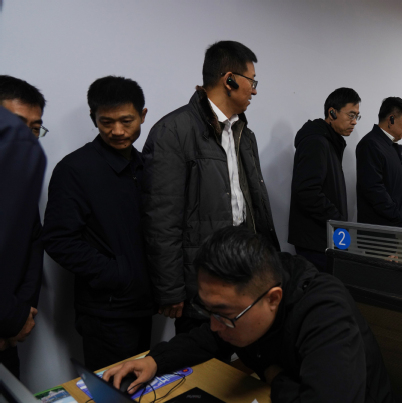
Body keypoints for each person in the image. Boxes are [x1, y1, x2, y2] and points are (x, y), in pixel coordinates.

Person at [103, 226, 395, 403]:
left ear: (273, 299)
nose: (214, 325)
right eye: (209, 310)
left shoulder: (325, 312)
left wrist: (273, 375)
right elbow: (208, 338)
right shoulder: (250, 294)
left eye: (224, 314)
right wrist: (155, 360)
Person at [141, 41, 279, 335]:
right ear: (229, 80)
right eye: (252, 81)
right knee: (202, 353)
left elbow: (254, 207)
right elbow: (162, 219)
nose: (254, 91)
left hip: (247, 272)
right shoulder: (173, 132)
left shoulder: (245, 134)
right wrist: (170, 289)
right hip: (204, 279)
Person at [42, 76, 154, 371]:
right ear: (94, 118)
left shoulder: (146, 165)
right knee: (114, 389)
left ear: (142, 115)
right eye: (106, 122)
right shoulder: (74, 169)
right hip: (106, 312)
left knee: (144, 386)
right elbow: (58, 239)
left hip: (145, 305)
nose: (117, 131)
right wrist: (118, 274)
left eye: (126, 121)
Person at [0, 75, 48, 379]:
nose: (27, 139)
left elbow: (32, 250)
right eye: (17, 126)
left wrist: (17, 318)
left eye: (34, 128)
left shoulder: (20, 177)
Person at [288, 88, 360, 272]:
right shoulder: (316, 141)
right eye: (351, 115)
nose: (354, 122)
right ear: (332, 113)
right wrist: (338, 221)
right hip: (316, 243)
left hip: (325, 238)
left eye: (357, 117)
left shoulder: (330, 142)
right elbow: (307, 191)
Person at [356, 97, 402, 228]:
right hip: (382, 230)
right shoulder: (370, 144)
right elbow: (373, 188)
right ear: (391, 119)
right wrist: (396, 215)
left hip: (396, 227)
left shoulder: (389, 146)